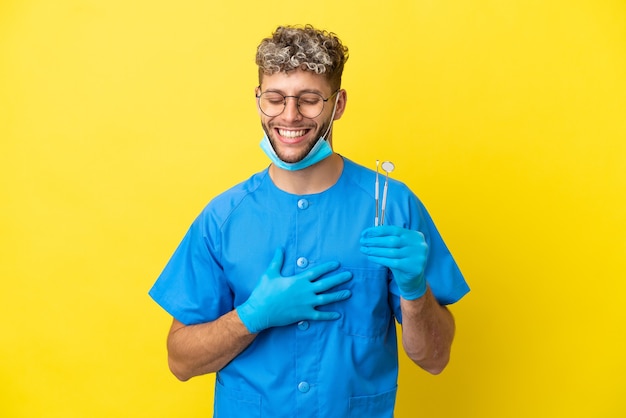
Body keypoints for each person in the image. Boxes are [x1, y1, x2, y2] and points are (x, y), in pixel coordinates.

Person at [149, 24, 469, 417]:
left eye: (310, 99)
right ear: (258, 100)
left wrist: (416, 293)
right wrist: (252, 316)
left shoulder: (393, 208)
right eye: (275, 98)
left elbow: (435, 359)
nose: (289, 116)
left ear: (338, 104)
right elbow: (180, 362)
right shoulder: (223, 217)